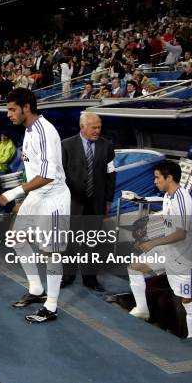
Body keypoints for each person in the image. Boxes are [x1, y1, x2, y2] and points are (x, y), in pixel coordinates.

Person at [0, 88, 71, 323]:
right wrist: (24, 198)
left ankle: (51, 306)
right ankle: (36, 288)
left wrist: (13, 193)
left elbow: (48, 175)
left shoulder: (44, 131)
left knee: (51, 251)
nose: (9, 114)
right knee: (17, 238)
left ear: (26, 108)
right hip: (36, 195)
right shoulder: (29, 131)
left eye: (12, 109)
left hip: (54, 197)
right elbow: (33, 172)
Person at [128, 161, 192, 338]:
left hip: (185, 258)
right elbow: (168, 226)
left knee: (187, 302)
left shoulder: (182, 199)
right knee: (134, 267)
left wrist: (154, 243)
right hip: (168, 252)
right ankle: (142, 309)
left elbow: (181, 233)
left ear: (169, 178)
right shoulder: (168, 196)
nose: (155, 181)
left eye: (157, 177)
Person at [60, 112, 115, 291]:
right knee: (70, 241)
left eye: (99, 127)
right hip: (72, 203)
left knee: (92, 242)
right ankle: (68, 275)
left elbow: (110, 174)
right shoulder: (66, 146)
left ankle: (90, 278)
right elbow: (59, 177)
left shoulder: (107, 146)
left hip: (96, 202)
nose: (97, 131)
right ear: (82, 127)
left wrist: (108, 199)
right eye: (94, 128)